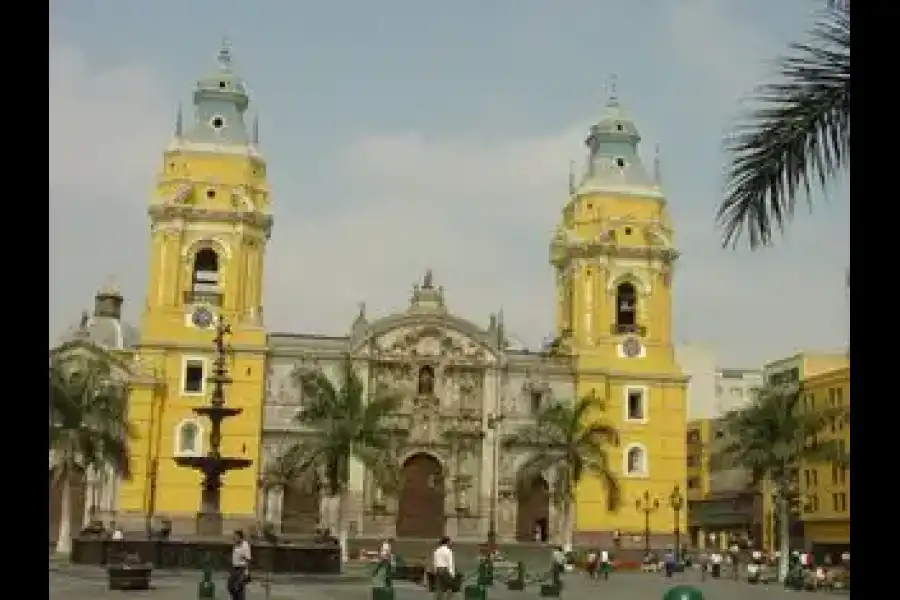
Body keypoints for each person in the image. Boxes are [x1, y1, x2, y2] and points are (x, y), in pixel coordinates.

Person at [228, 530, 252, 600]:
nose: (234, 538)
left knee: (238, 588)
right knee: (231, 587)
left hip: (241, 569)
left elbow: (248, 559)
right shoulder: (235, 544)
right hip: (234, 569)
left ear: (239, 537)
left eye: (235, 536)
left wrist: (245, 572)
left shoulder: (245, 545)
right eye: (234, 536)